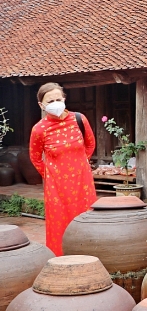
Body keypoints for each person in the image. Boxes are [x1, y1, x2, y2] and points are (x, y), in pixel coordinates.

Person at [29, 82, 96, 256]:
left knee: (86, 220)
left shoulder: (79, 119)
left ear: (64, 99)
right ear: (41, 105)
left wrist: (80, 164)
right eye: (50, 101)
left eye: (58, 99)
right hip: (56, 187)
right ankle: (60, 261)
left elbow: (90, 144)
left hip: (83, 182)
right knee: (59, 224)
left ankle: (89, 258)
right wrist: (50, 175)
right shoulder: (39, 129)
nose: (55, 104)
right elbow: (35, 157)